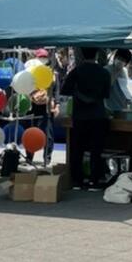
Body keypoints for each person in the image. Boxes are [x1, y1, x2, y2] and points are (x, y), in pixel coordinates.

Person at [62, 47, 111, 188]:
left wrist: (78, 93)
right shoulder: (104, 72)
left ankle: (78, 180)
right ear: (96, 54)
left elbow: (65, 90)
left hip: (80, 115)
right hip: (98, 115)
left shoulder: (76, 72)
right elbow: (106, 94)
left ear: (82, 55)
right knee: (97, 150)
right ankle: (95, 179)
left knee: (78, 149)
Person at [29, 48, 58, 166]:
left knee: (48, 133)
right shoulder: (31, 72)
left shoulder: (52, 73)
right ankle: (29, 156)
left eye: (44, 57)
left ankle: (47, 158)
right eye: (40, 57)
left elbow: (56, 90)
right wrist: (32, 96)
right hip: (34, 106)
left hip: (47, 107)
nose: (42, 59)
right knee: (32, 133)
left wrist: (57, 104)